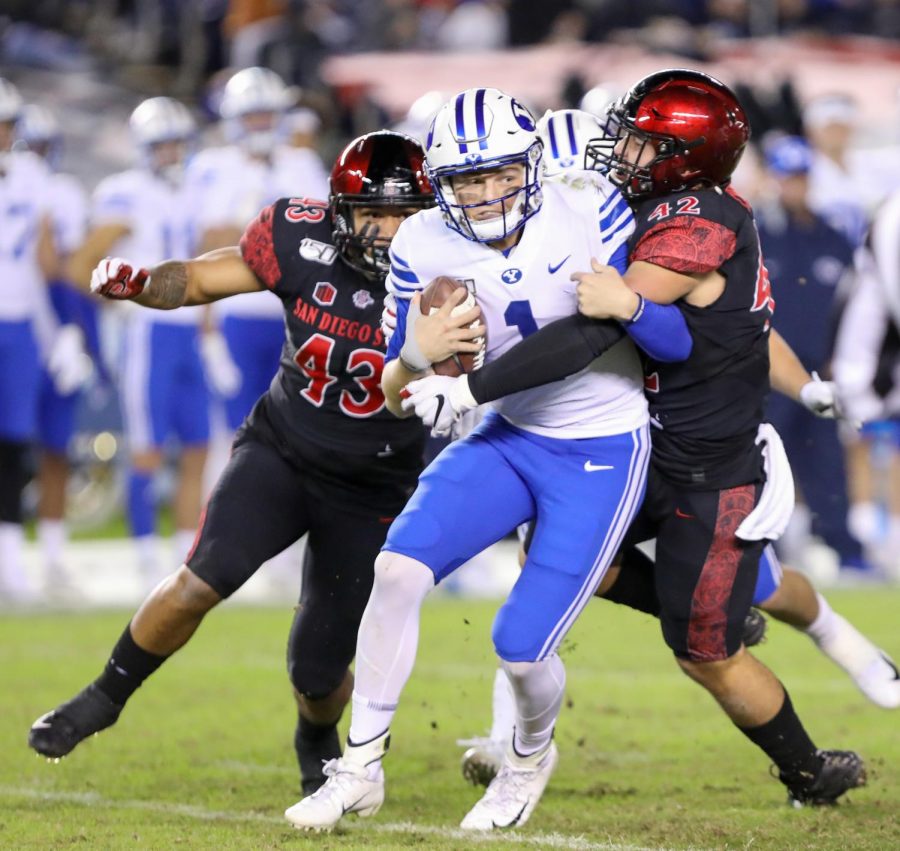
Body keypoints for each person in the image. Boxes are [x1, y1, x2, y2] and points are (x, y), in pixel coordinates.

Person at [401, 71, 868, 808]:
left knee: (703, 651)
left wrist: (475, 382)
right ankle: (720, 615)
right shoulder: (653, 202)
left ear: (683, 154)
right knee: (564, 552)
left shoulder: (699, 220)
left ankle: (810, 770)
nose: (620, 149)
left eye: (641, 141)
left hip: (707, 470)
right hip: (647, 443)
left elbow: (628, 331)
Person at [284, 86, 697, 832]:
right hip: (509, 435)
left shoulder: (589, 207)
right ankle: (361, 767)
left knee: (519, 647)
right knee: (397, 568)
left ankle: (528, 757)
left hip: (598, 445)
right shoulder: (420, 243)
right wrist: (415, 357)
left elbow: (648, 337)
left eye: (503, 172)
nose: (487, 192)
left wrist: (469, 383)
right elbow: (388, 392)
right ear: (440, 186)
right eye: (468, 180)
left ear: (532, 165)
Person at [27, 131, 437, 797]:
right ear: (341, 211)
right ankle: (102, 697)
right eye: (375, 214)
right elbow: (198, 277)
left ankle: (314, 734)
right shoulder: (299, 238)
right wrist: (138, 282)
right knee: (201, 578)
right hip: (284, 447)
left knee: (317, 670)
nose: (390, 232)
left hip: (373, 481)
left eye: (405, 215)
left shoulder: (452, 272)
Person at [68, 97, 209, 588]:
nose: (171, 153)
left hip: (189, 325)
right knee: (147, 447)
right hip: (147, 327)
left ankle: (184, 556)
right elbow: (83, 260)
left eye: (177, 144)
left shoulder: (193, 189)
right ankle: (144, 553)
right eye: (162, 145)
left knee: (197, 445)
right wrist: (110, 303)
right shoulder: (123, 193)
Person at [16, 103, 97, 595]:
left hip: (55, 334)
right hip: (22, 328)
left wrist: (74, 331)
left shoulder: (62, 193)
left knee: (56, 447)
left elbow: (70, 267)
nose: (37, 158)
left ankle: (50, 552)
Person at [0, 78, 59, 603]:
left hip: (17, 320)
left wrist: (57, 331)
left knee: (16, 440)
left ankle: (11, 552)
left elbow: (44, 260)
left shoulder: (31, 176)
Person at [832, 186, 900, 577]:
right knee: (864, 444)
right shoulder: (891, 220)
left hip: (883, 363)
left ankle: (884, 538)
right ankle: (864, 538)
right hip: (867, 365)